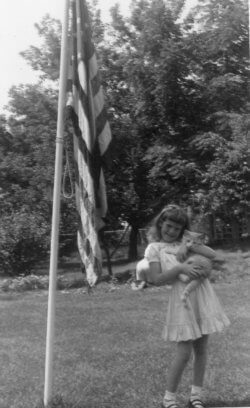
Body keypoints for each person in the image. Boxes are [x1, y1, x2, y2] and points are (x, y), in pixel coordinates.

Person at [136, 204, 230, 408]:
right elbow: (156, 279)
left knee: (202, 348)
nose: (171, 231)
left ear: (182, 230)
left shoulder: (186, 243)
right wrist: (180, 267)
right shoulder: (154, 248)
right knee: (184, 350)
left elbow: (211, 254)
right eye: (168, 226)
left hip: (202, 295)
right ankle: (168, 398)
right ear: (161, 223)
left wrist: (189, 245)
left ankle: (196, 396)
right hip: (183, 299)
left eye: (176, 229)